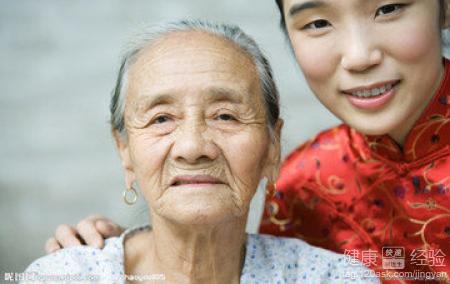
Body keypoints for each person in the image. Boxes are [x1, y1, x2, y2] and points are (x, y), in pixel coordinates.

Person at [44, 0, 450, 282]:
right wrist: (121, 256)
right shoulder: (308, 181)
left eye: (389, 8)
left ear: (445, 1)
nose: (359, 56)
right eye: (318, 22)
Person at [23, 20, 379, 284]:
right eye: (161, 118)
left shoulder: (333, 278)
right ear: (125, 151)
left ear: (272, 147)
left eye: (225, 116)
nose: (193, 148)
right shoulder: (63, 276)